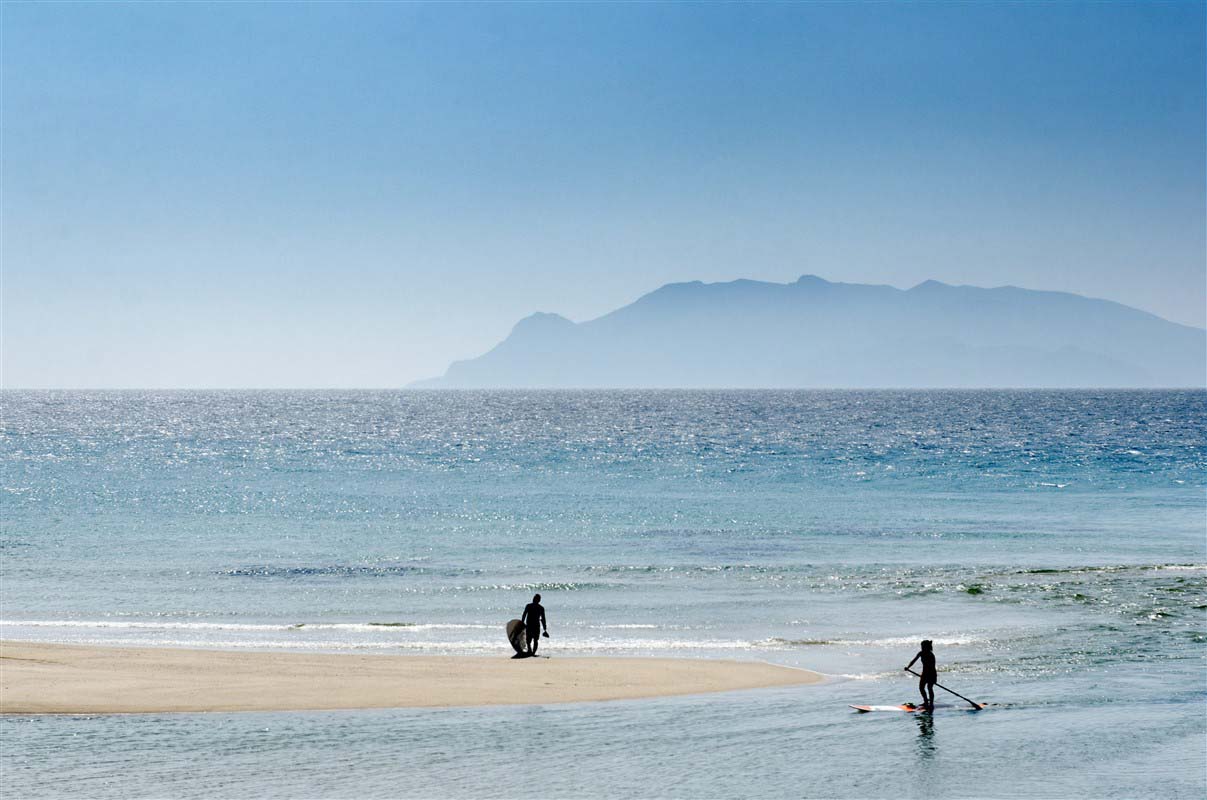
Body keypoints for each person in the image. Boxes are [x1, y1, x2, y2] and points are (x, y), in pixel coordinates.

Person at [905, 640, 937, 710]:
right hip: (924, 673)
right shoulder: (921, 653)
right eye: (921, 646)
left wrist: (928, 677)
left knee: (929, 688)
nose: (922, 647)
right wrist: (908, 667)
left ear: (927, 647)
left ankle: (931, 704)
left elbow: (931, 666)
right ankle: (926, 701)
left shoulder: (931, 655)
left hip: (931, 673)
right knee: (921, 688)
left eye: (923, 646)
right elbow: (914, 660)